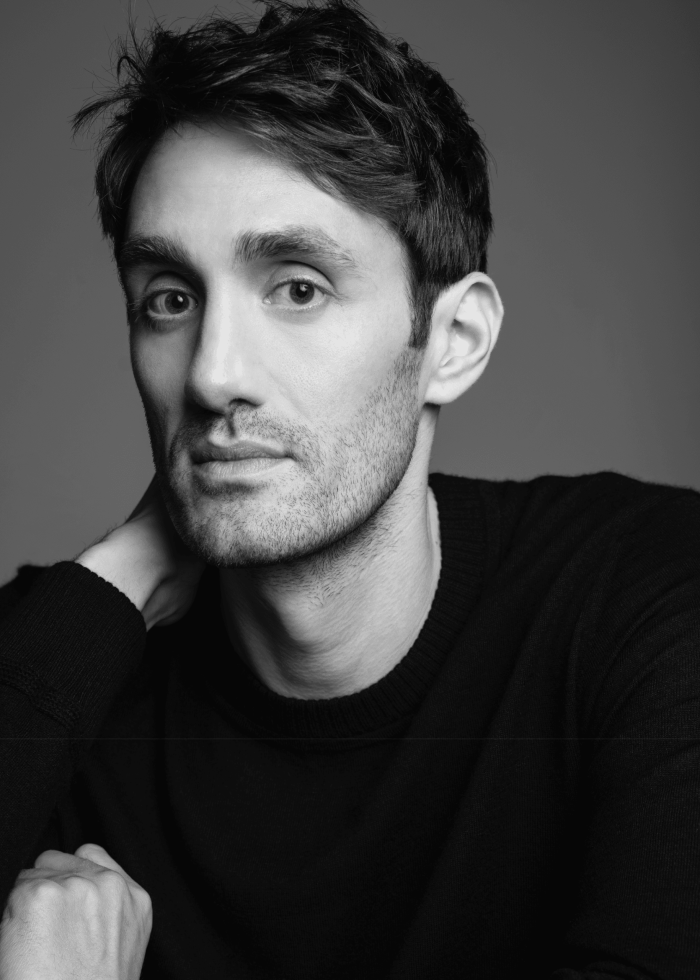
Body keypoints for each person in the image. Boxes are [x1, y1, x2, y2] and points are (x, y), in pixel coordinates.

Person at [1, 1, 699, 977]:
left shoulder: (648, 599)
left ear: (453, 342)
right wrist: (124, 571)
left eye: (298, 287)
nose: (211, 375)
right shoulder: (60, 664)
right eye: (170, 298)